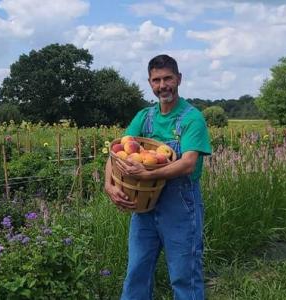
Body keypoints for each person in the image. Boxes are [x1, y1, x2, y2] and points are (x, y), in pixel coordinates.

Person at [104, 54, 212, 299]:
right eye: (156, 80)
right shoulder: (145, 117)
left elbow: (187, 164)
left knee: (184, 275)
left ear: (179, 79)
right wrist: (109, 185)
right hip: (144, 207)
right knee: (136, 272)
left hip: (180, 206)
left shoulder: (191, 118)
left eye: (168, 78)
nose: (162, 85)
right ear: (150, 83)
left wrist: (145, 173)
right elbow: (116, 153)